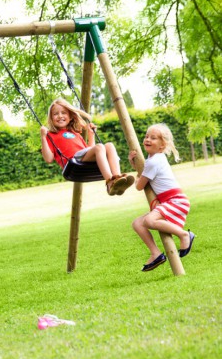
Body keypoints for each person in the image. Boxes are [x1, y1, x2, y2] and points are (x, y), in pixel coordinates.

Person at [128, 123, 195, 272]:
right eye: (146, 136)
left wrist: (136, 175)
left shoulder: (153, 161)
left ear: (162, 145)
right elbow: (144, 174)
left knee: (149, 220)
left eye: (153, 138)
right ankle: (156, 253)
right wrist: (134, 164)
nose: (147, 139)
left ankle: (184, 234)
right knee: (137, 224)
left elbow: (140, 185)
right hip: (171, 200)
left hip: (176, 201)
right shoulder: (155, 158)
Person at [40, 98, 134, 195]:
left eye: (63, 113)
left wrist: (91, 134)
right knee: (100, 147)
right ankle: (110, 182)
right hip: (73, 162)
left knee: (109, 145)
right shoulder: (51, 135)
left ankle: (117, 178)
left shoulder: (75, 133)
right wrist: (43, 136)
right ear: (51, 118)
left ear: (70, 116)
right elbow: (48, 159)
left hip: (83, 157)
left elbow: (89, 150)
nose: (60, 116)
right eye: (55, 114)